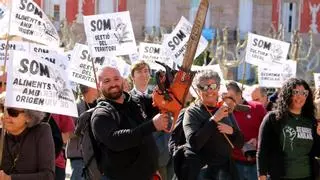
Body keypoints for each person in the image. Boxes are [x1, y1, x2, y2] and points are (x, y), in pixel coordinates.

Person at [91, 66, 169, 179]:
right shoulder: (101, 114)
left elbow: (162, 102)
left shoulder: (136, 101)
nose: (113, 84)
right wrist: (152, 125)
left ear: (122, 80)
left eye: (116, 79)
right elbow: (116, 140)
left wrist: (165, 85)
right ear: (99, 85)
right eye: (107, 81)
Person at [182, 70, 244, 180]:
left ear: (219, 88)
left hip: (226, 170)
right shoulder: (191, 112)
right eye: (204, 87)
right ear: (197, 90)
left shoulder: (225, 109)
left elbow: (240, 144)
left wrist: (232, 131)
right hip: (203, 171)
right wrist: (214, 119)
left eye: (213, 86)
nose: (209, 90)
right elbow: (194, 143)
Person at [257, 78, 320, 180]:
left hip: (307, 176)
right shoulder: (273, 118)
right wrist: (262, 176)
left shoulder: (311, 120)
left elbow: (317, 151)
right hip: (280, 176)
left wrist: (319, 136)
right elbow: (262, 151)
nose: (300, 96)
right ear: (288, 94)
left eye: (304, 93)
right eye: (296, 92)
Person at [129, 61, 171, 180]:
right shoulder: (126, 99)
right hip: (137, 159)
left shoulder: (158, 98)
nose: (143, 74)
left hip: (160, 157)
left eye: (146, 71)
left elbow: (167, 124)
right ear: (133, 76)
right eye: (139, 71)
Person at [0, 93, 55, 179]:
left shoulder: (41, 131)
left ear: (29, 116)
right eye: (3, 109)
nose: (5, 116)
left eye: (13, 112)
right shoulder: (1, 134)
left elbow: (47, 176)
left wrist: (10, 178)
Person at [226, 81, 266, 180]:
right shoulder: (223, 112)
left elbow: (270, 132)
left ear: (239, 94)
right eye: (224, 97)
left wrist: (258, 140)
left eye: (231, 96)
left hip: (257, 163)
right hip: (234, 164)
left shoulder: (257, 107)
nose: (227, 100)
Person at [66, 85, 98, 180]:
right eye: (95, 86)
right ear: (89, 88)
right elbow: (68, 132)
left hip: (95, 155)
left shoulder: (100, 105)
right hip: (78, 155)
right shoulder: (75, 107)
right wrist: (82, 129)